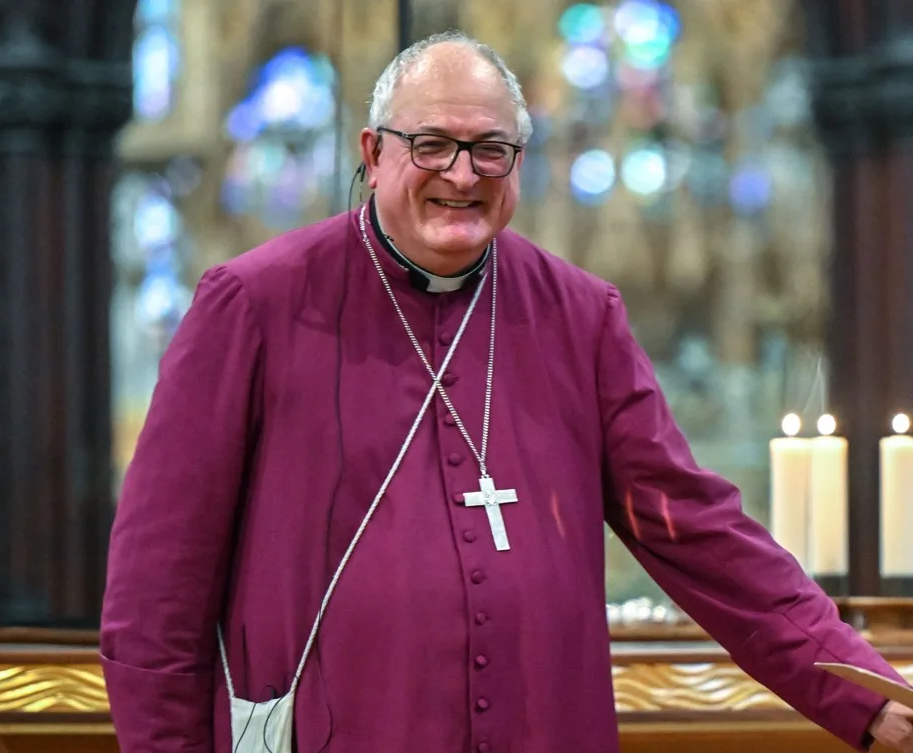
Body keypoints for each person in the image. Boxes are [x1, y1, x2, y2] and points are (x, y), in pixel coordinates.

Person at [100, 30, 913, 753]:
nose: (463, 174)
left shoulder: (581, 315)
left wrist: (861, 692)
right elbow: (154, 596)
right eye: (431, 145)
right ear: (373, 151)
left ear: (519, 163)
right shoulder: (254, 305)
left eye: (491, 149)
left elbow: (694, 527)